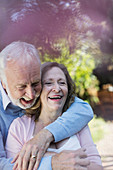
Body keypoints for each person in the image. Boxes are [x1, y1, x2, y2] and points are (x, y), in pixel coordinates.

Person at [0, 41, 94, 170]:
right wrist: (52, 163)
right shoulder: (18, 126)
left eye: (35, 83)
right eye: (21, 86)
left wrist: (45, 136)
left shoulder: (48, 96)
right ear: (3, 83)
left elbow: (84, 109)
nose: (31, 95)